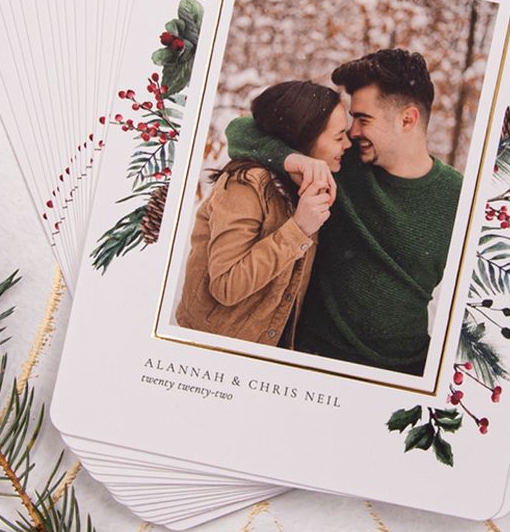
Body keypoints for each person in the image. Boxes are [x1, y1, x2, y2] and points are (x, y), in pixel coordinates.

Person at [226, 49, 463, 375]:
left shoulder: (459, 196)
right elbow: (241, 130)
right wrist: (291, 159)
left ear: (407, 119)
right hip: (309, 360)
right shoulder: (339, 162)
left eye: (364, 119)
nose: (352, 132)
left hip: (405, 374)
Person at [176, 80, 350, 348]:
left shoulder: (308, 184)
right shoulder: (246, 185)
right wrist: (298, 229)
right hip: (215, 346)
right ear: (305, 137)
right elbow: (226, 284)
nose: (347, 144)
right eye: (339, 137)